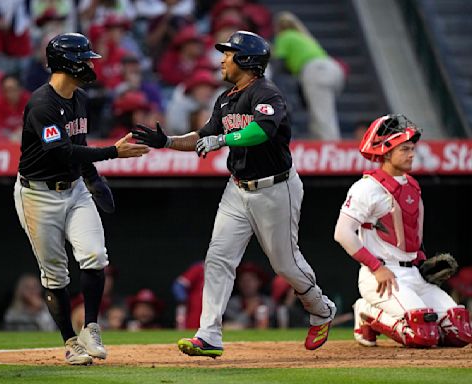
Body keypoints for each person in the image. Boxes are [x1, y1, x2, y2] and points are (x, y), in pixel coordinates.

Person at [132, 30, 336, 358]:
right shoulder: (225, 99)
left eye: (228, 54)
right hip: (237, 188)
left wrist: (224, 140)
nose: (222, 59)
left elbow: (261, 131)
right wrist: (168, 142)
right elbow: (203, 136)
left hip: (275, 187)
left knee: (285, 264)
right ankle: (209, 334)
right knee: (218, 258)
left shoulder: (267, 93)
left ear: (246, 60)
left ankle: (320, 308)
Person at [13, 32, 150, 366]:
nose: (90, 64)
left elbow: (79, 141)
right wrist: (113, 154)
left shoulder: (78, 97)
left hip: (74, 188)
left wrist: (92, 178)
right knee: (55, 275)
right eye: (84, 59)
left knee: (95, 255)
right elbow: (61, 152)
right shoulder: (42, 103)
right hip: (38, 195)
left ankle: (90, 326)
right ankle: (70, 342)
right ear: (66, 63)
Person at [334, 114, 472, 348]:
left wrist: (421, 261)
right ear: (386, 153)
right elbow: (342, 233)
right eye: (404, 149)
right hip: (382, 277)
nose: (411, 154)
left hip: (414, 275)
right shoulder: (367, 187)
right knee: (422, 334)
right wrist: (377, 268)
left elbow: (409, 236)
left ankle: (389, 313)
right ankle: (366, 312)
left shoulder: (411, 185)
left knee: (459, 331)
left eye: (412, 149)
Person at [273, 11, 345, 140]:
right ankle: (326, 144)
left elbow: (279, 64)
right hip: (334, 68)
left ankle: (330, 150)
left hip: (316, 70)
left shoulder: (284, 37)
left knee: (322, 117)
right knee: (323, 112)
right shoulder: (304, 36)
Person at [224, 261, 275, 329]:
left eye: (251, 280)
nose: (247, 284)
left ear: (259, 282)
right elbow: (231, 326)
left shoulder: (268, 302)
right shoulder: (231, 304)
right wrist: (248, 311)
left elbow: (276, 325)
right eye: (243, 280)